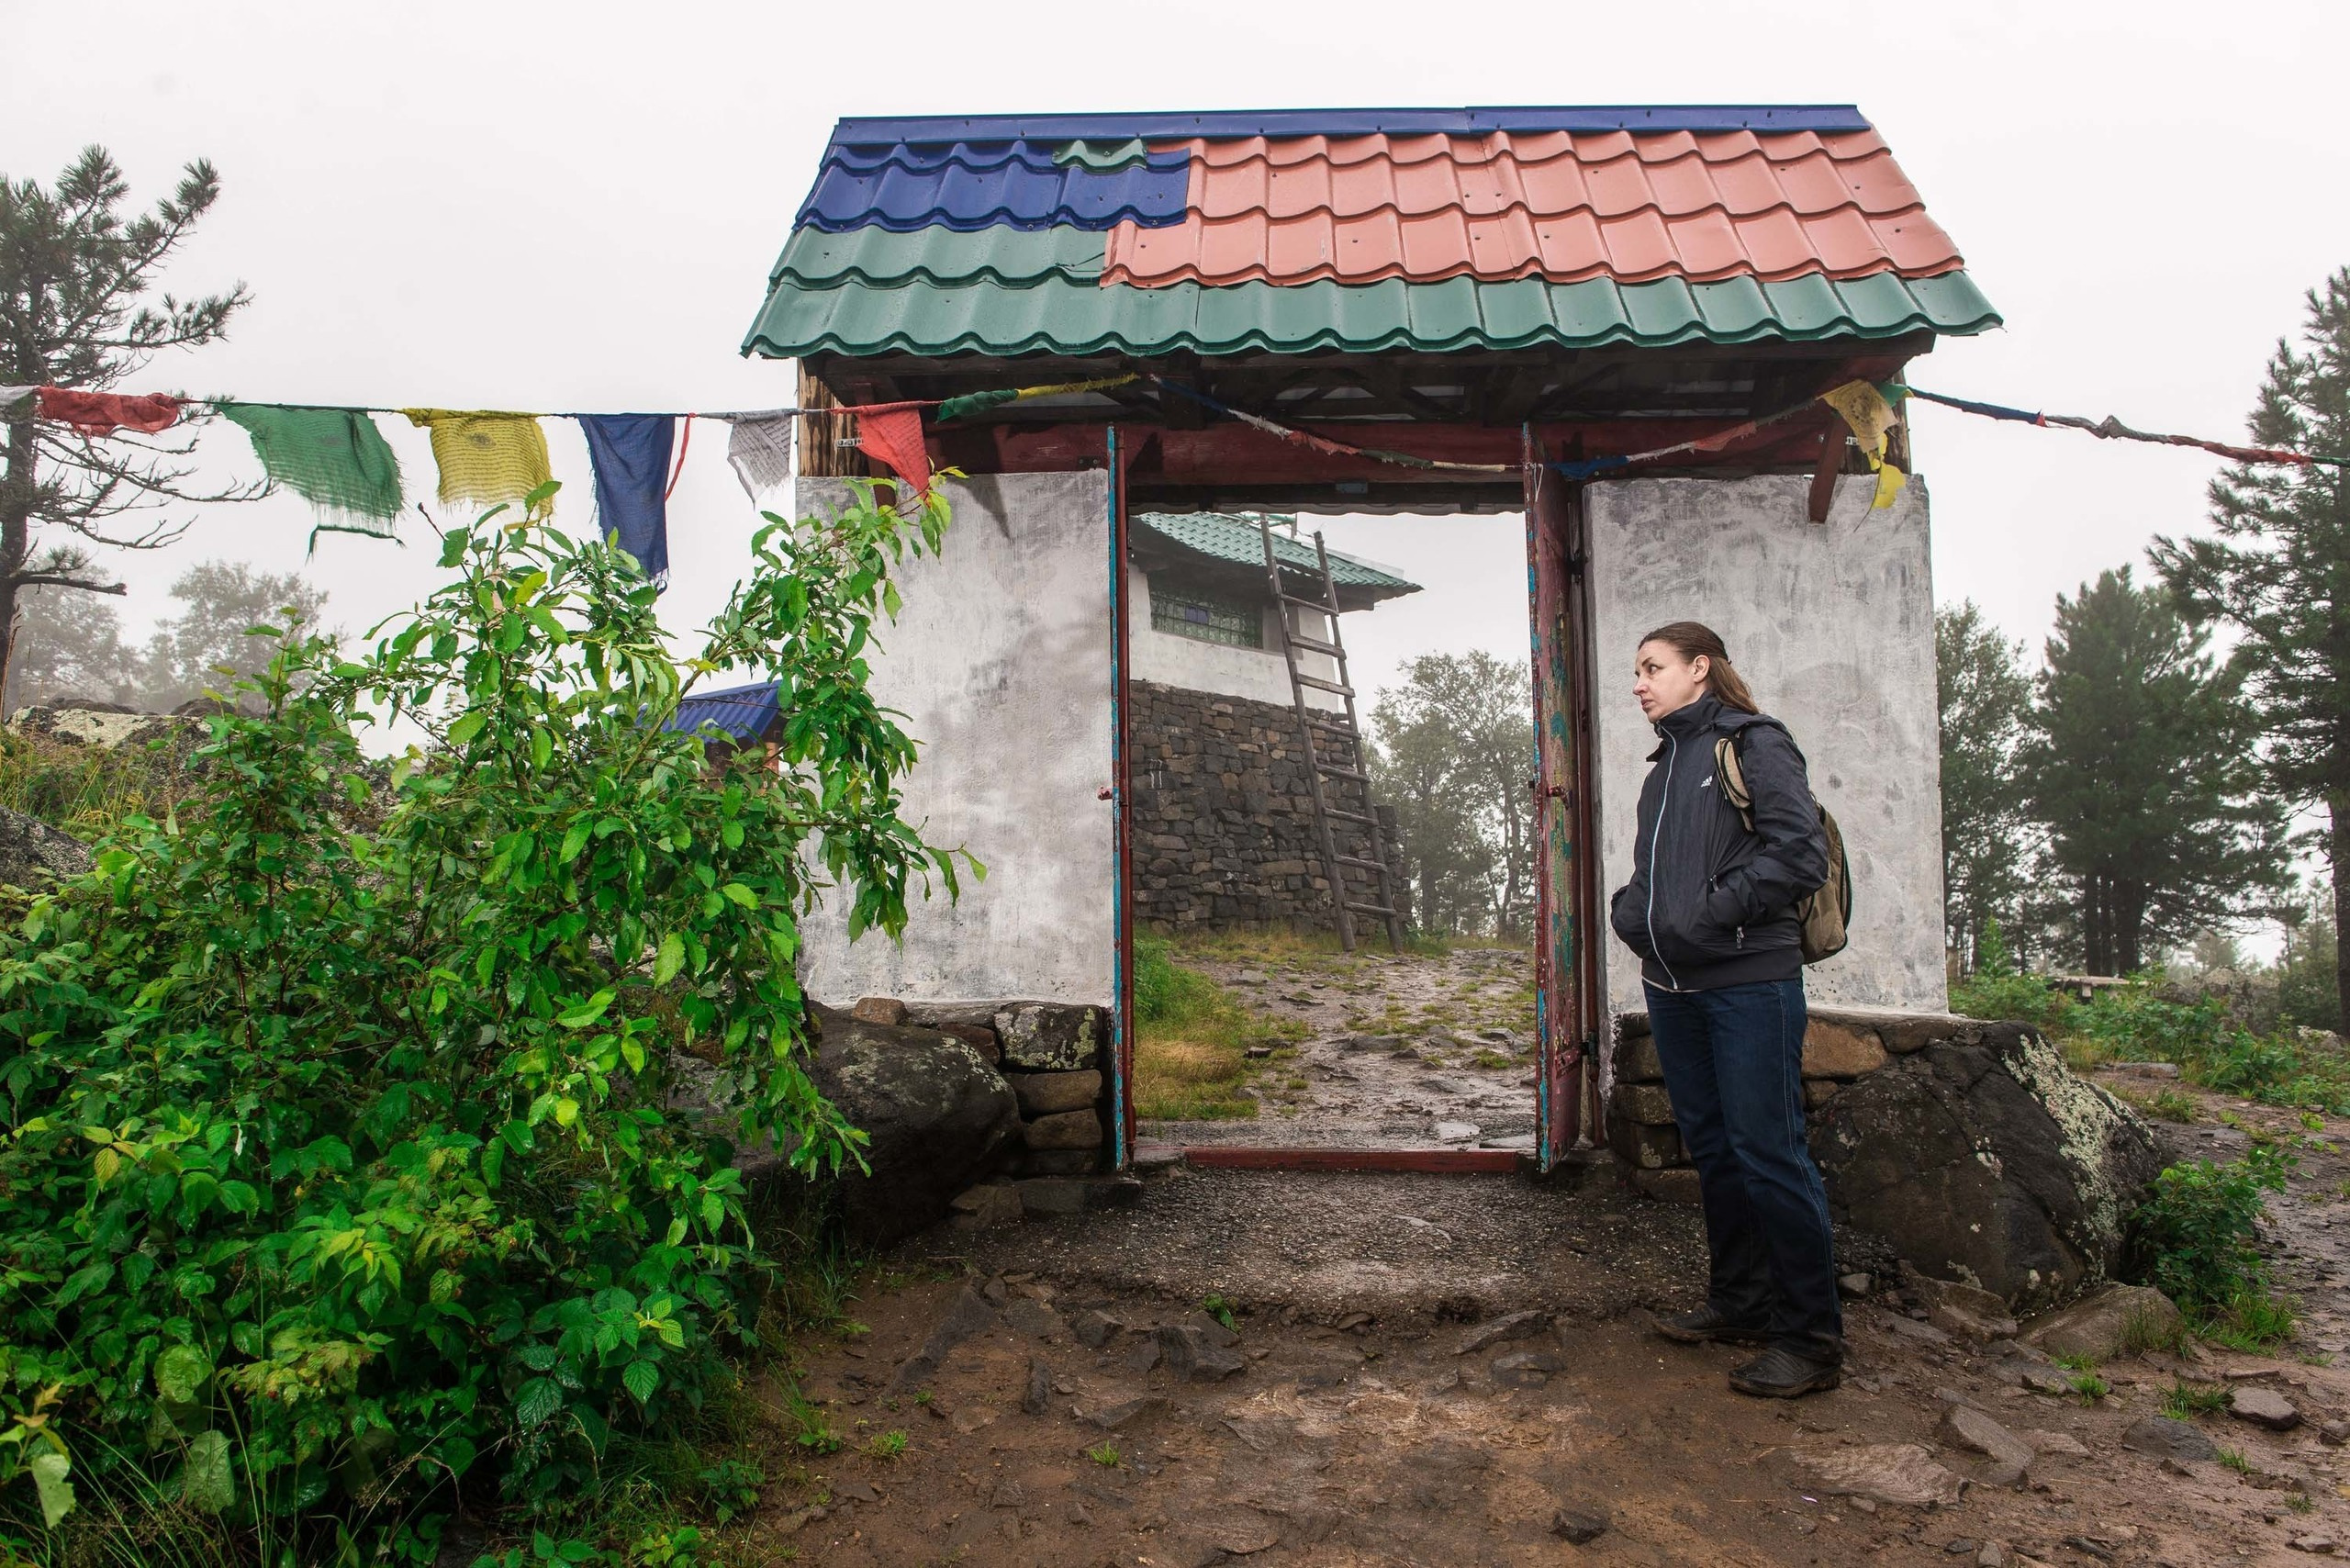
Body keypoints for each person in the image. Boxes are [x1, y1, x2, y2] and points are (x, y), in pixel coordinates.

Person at [1607, 621, 1841, 1397]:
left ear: (1699, 668)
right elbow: (1649, 875)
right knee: (1713, 1149)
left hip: (1749, 984)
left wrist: (1710, 913)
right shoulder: (1663, 768)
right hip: (1673, 988)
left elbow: (1798, 854)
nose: (1638, 683)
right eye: (1636, 671)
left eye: (1652, 668)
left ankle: (1810, 1340)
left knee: (1769, 1151)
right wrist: (1633, 914)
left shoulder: (1754, 743)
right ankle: (1740, 1302)